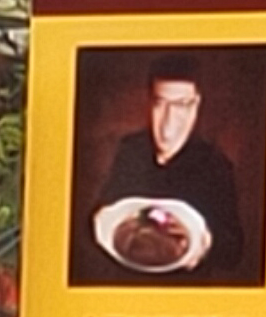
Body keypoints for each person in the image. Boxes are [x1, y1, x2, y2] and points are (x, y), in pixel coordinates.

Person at [78, 58, 247, 281]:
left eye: (180, 105)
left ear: (195, 105)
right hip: (128, 291)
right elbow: (101, 215)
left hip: (186, 298)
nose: (168, 121)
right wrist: (102, 218)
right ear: (150, 103)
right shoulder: (131, 149)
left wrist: (206, 243)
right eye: (161, 103)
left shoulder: (215, 166)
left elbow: (233, 253)